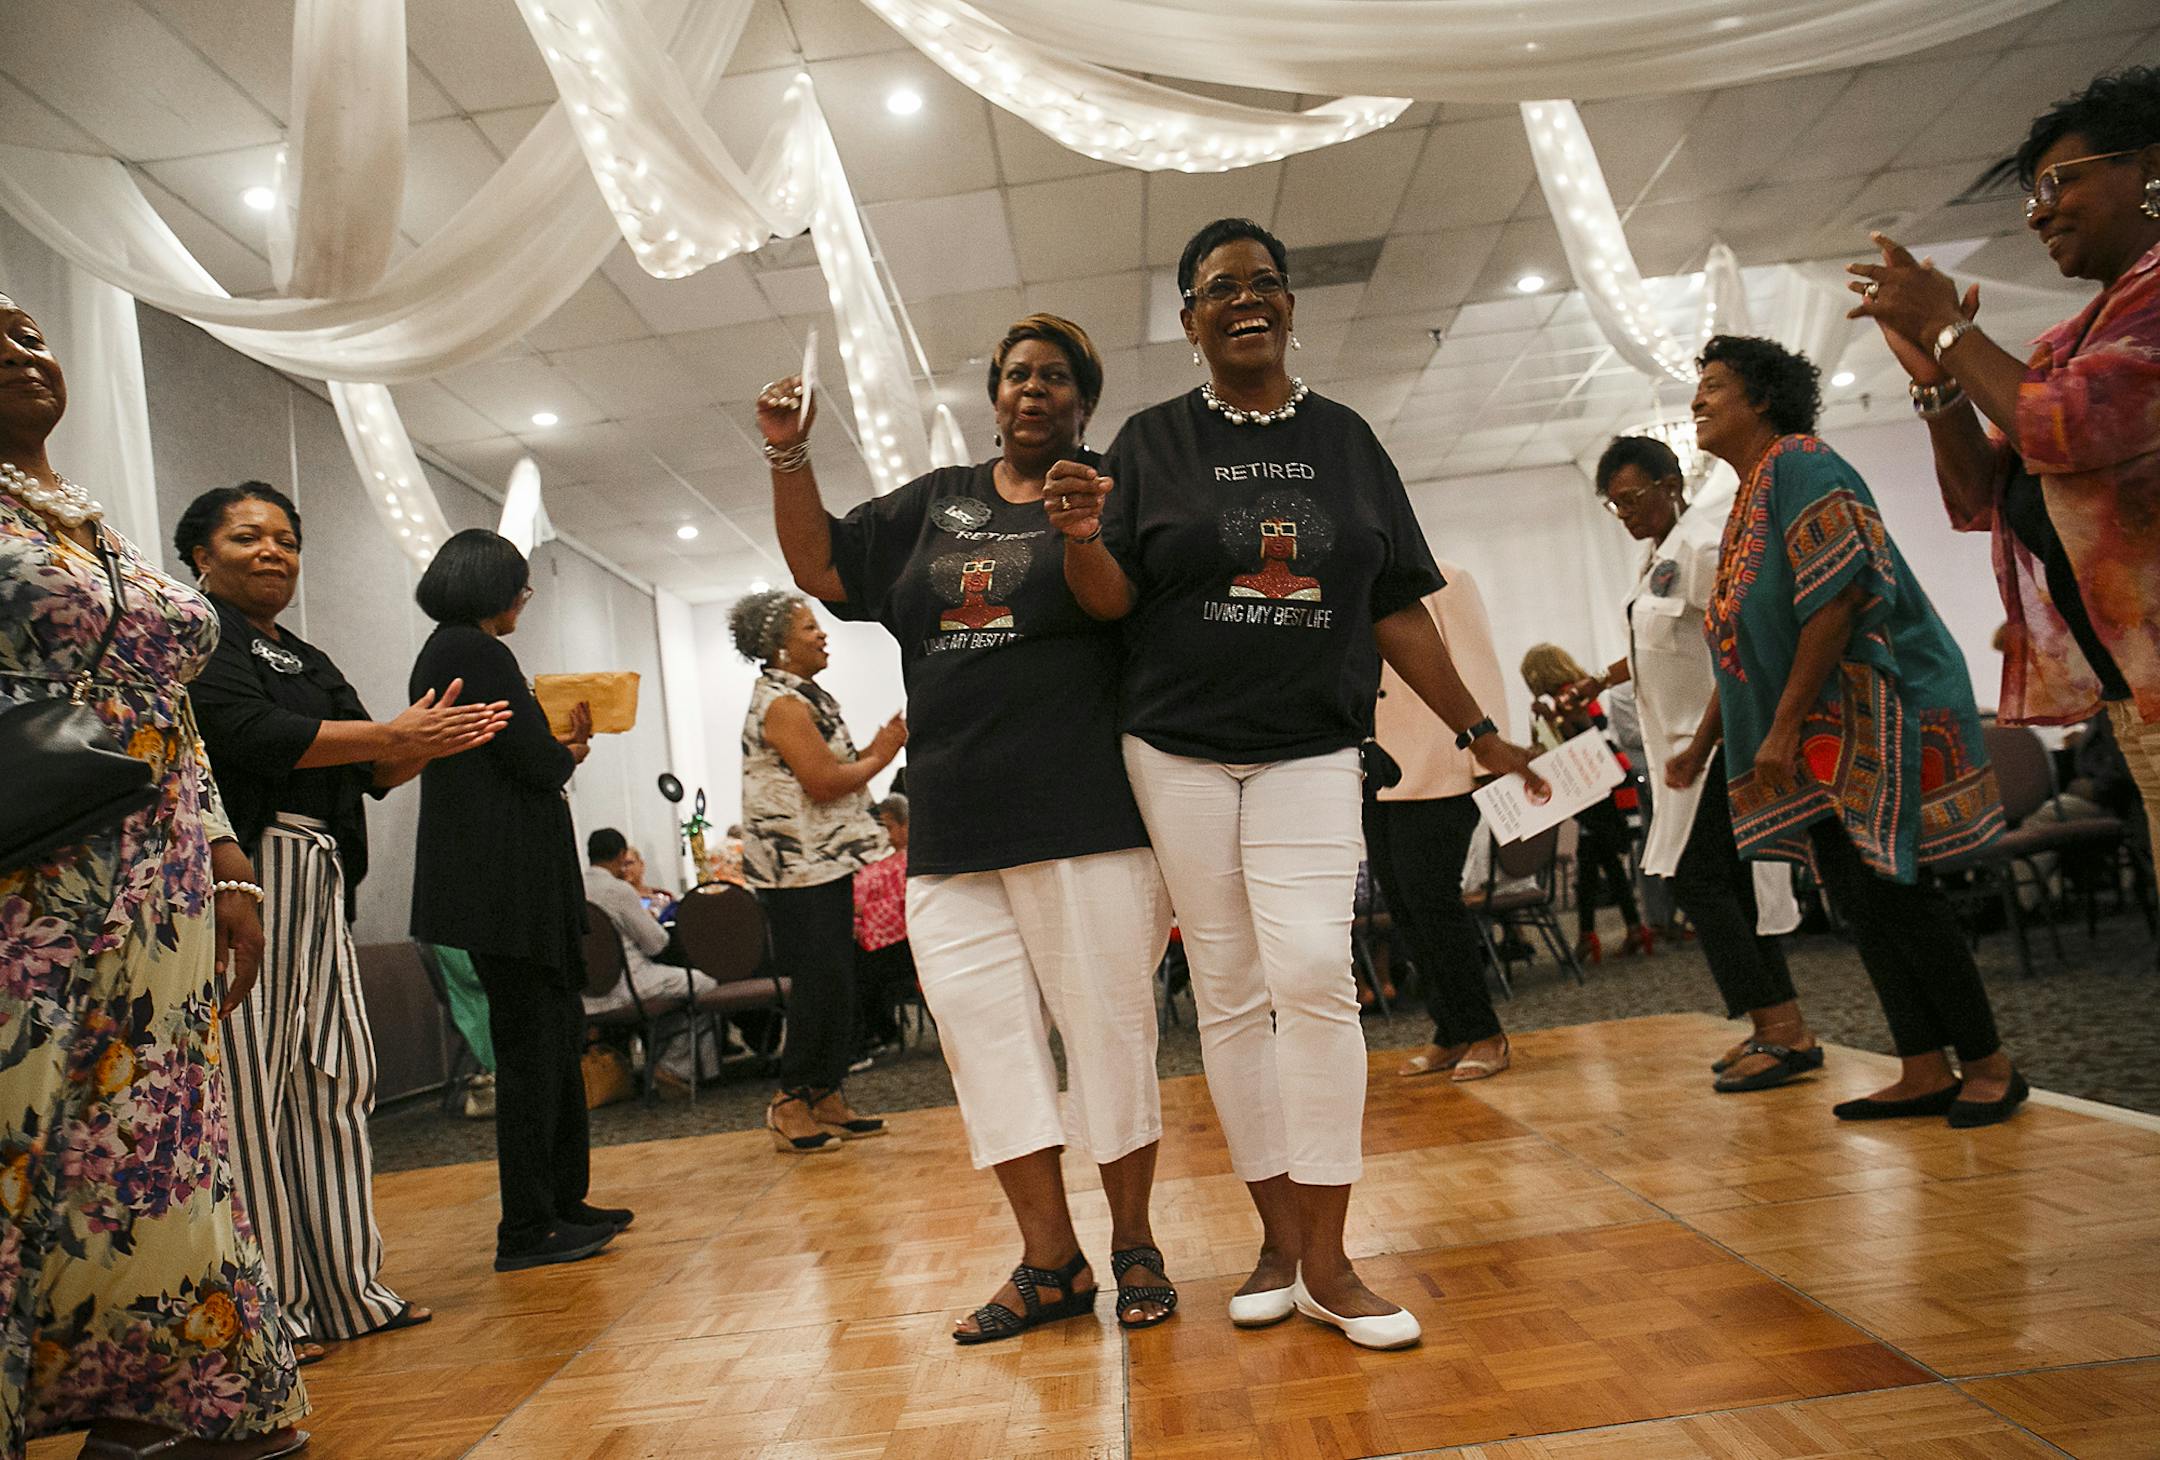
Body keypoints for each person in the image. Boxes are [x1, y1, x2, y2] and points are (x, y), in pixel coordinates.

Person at [1047, 219, 1543, 1350]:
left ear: (1288, 304)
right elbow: (1110, 599)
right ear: (1189, 319)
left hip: (1314, 747)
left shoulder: (1348, 440)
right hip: (1173, 746)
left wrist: (1477, 726)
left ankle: (1329, 1253)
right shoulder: (1151, 439)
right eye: (1220, 288)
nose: (1246, 300)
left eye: (1265, 282)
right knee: (1225, 989)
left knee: (1315, 973)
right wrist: (1081, 535)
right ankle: (1277, 1238)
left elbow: (1396, 601)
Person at [755, 312, 1177, 1338]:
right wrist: (788, 450)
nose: (1033, 390)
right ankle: (1050, 1261)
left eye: (1055, 378)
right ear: (993, 396)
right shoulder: (933, 506)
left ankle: (1132, 1243)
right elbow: (820, 564)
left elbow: (1115, 604)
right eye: (1016, 375)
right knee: (987, 1048)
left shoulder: (1109, 493)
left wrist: (1080, 532)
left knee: (1110, 1039)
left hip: (1084, 816)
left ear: (1084, 401)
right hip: (950, 830)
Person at [0, 293, 308, 1458]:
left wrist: (228, 857)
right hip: (28, 880)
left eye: (28, 333)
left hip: (161, 875)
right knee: (24, 1132)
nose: (17, 353)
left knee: (152, 1136)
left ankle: (163, 1396)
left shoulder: (94, 526)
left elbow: (168, 705)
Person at [180, 482, 503, 1358]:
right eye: (248, 537)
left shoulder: (306, 655)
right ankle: (273, 1307)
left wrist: (426, 745)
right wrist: (391, 736)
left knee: (333, 1076)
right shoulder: (199, 637)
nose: (273, 551)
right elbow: (251, 736)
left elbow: (372, 765)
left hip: (322, 871)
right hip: (252, 870)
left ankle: (350, 1290)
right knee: (253, 1091)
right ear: (200, 554)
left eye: (286, 538)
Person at [1692, 334, 2026, 1127]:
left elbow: (1836, 599)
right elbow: (1742, 633)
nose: (1697, 401)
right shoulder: (1750, 493)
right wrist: (1711, 740)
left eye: (1713, 386)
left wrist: (1778, 731)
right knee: (1860, 901)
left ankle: (1988, 1064)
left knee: (1901, 895)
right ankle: (1921, 1065)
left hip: (1870, 711)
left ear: (1763, 398)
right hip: (1816, 730)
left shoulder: (1803, 463)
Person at [1846, 65, 2160, 862]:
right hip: (2137, 697)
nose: (2040, 211)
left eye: (2059, 182)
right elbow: (1983, 495)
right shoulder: (2072, 338)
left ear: (2149, 167)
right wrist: (1940, 387)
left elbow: (2058, 427)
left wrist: (1950, 326)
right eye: (2032, 194)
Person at [408, 529, 629, 1269]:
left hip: (502, 886)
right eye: (523, 590)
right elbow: (531, 764)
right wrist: (565, 749)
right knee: (535, 1056)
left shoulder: (453, 650)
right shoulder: (474, 650)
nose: (523, 604)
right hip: (506, 890)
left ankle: (563, 1201)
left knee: (551, 1045)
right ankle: (529, 1227)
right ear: (495, 587)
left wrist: (552, 750)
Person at [1573, 438, 1817, 1093]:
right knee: (1725, 887)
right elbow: (1660, 647)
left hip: (1716, 748)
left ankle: (1782, 1027)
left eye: (1632, 497)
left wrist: (1705, 742)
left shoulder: (1704, 549)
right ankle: (1779, 1024)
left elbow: (1736, 650)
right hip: (1683, 750)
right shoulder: (1658, 557)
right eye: (1612, 504)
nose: (1624, 513)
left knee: (1702, 882)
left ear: (1671, 481)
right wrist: (1599, 681)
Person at [729, 590, 899, 1155]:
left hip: (823, 859)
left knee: (838, 978)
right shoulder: (781, 704)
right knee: (819, 983)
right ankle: (789, 1102)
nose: (821, 635)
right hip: (795, 867)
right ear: (778, 645)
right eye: (808, 628)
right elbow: (823, 782)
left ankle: (825, 1093)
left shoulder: (804, 696)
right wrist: (882, 750)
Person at [1365, 561, 1514, 1082]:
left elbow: (1478, 669)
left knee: (1435, 904)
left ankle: (1485, 1032)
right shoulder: (1336, 580)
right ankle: (1449, 1031)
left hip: (1441, 766)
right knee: (1403, 910)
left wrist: (1483, 761)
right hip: (1376, 773)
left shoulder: (1445, 577)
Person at [1521, 643, 1654, 963]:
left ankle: (1590, 937)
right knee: (1600, 862)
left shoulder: (1568, 698)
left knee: (1593, 863)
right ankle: (1626, 930)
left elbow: (1578, 738)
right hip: (1606, 784)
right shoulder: (1578, 692)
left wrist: (1549, 718)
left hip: (1598, 790)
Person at [582, 828, 715, 1086]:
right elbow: (656, 944)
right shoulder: (617, 890)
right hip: (629, 983)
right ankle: (674, 1067)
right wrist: (649, 921)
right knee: (704, 984)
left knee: (674, 999)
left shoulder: (574, 889)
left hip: (587, 994)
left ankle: (665, 1066)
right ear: (621, 855)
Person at [850, 797, 912, 1063]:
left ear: (905, 826)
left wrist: (865, 913)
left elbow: (902, 906)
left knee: (858, 970)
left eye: (886, 827)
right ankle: (880, 1033)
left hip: (907, 941)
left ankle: (873, 1036)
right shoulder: (874, 863)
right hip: (880, 939)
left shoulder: (912, 861)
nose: (882, 835)